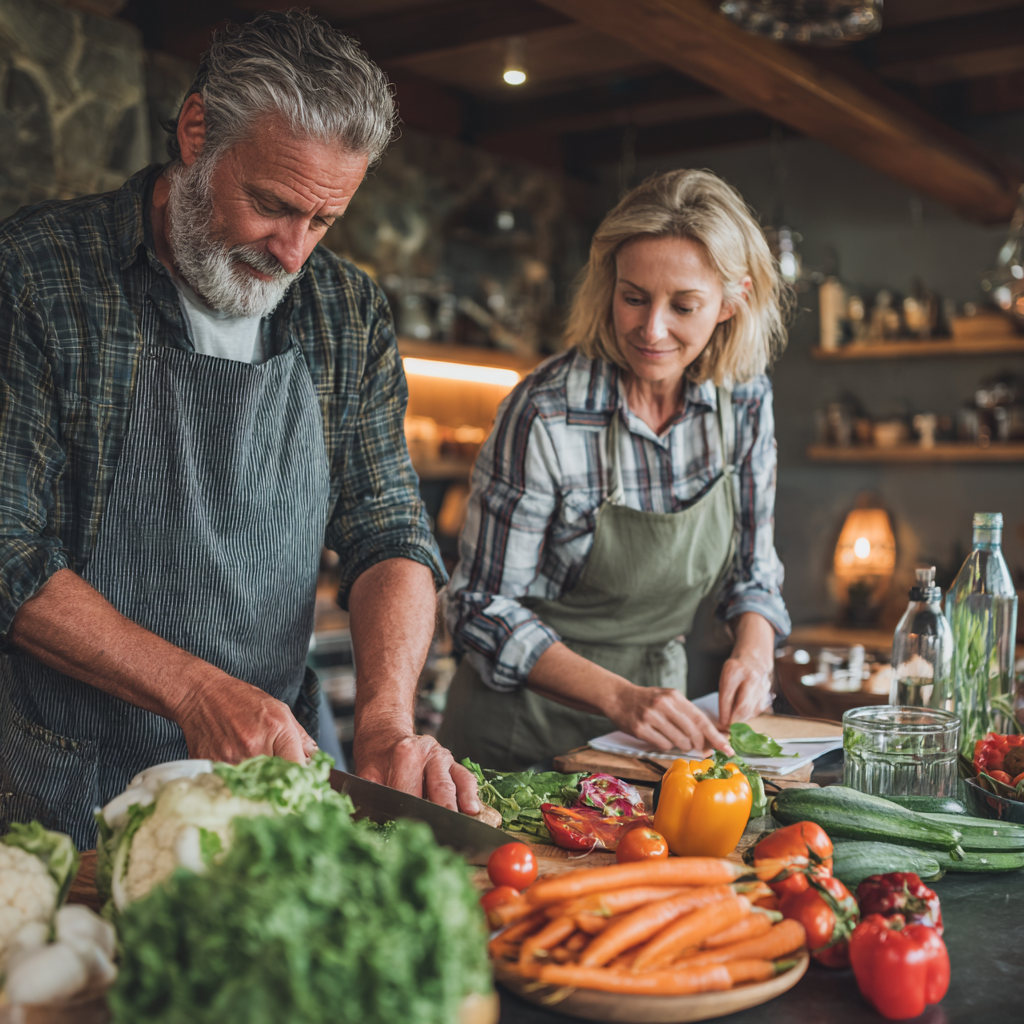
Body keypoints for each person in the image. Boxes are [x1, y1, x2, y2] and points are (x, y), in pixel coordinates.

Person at [0, 11, 479, 849]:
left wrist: (385, 724)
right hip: (67, 781)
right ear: (196, 132)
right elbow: (8, 544)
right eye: (272, 205)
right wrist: (194, 690)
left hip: (275, 771)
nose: (293, 253)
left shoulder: (346, 309)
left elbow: (389, 529)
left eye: (322, 222)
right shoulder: (37, 275)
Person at [440, 169, 792, 771]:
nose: (651, 329)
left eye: (684, 306)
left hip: (652, 740)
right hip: (519, 739)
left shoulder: (744, 400)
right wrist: (619, 698)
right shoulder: (547, 411)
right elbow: (478, 607)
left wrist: (755, 656)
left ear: (733, 301)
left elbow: (752, 571)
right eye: (633, 297)